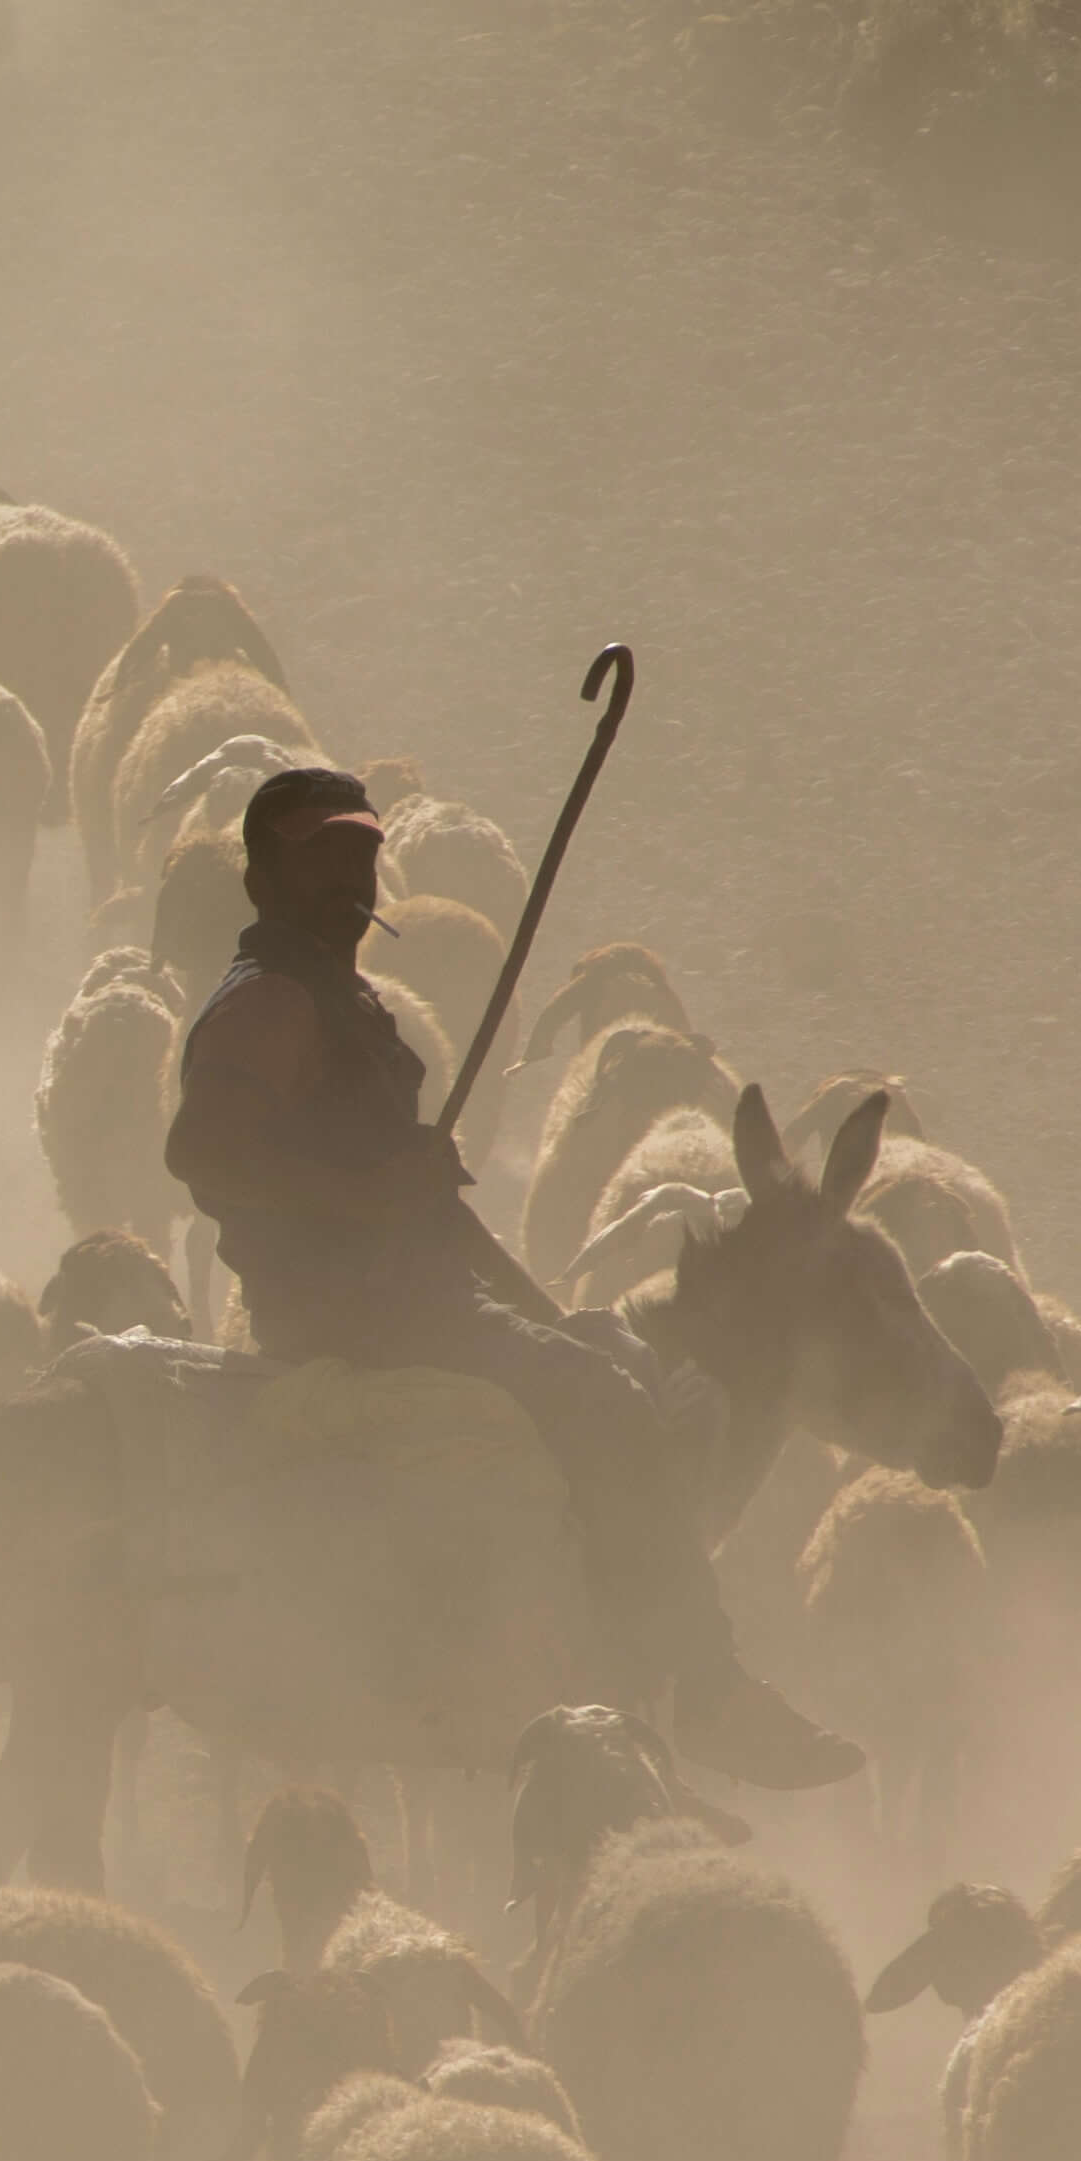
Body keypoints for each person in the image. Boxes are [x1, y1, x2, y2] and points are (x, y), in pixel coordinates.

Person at [161, 764, 860, 1788]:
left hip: (418, 1299)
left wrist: (551, 1313)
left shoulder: (336, 999)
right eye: (323, 860)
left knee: (613, 1352)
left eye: (363, 857)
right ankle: (705, 1691)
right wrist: (371, 1192)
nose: (351, 881)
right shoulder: (268, 1004)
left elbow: (431, 1211)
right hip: (349, 1319)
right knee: (606, 1403)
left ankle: (613, 1644)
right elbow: (202, 1154)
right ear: (264, 877)